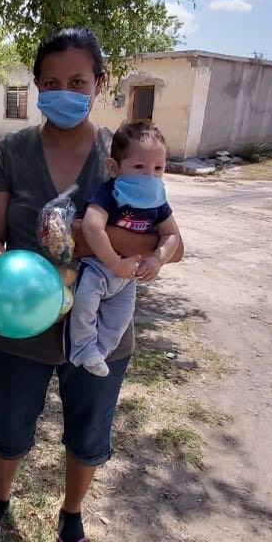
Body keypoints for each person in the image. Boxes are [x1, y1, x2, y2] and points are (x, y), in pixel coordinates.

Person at [0, 26, 184, 542]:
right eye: (52, 82)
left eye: (79, 80)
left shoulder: (125, 154)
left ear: (99, 83)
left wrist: (86, 245)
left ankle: (71, 517)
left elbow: (164, 239)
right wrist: (3, 260)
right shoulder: (11, 152)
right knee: (10, 424)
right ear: (36, 87)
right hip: (24, 318)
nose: (66, 90)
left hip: (102, 329)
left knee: (89, 430)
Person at [66, 120, 181, 377]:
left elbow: (171, 236)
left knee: (120, 317)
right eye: (139, 167)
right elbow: (92, 227)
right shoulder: (108, 193)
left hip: (127, 277)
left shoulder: (157, 201)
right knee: (84, 306)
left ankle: (100, 352)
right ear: (114, 168)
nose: (149, 176)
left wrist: (158, 260)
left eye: (158, 168)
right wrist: (115, 263)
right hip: (97, 268)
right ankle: (83, 348)